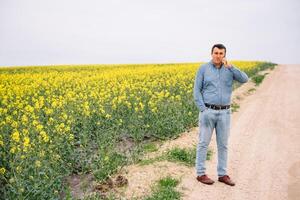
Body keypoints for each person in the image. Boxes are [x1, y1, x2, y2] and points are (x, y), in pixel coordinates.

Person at [193, 44, 249, 186]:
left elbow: (245, 79)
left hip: (225, 113)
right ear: (211, 54)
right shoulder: (203, 69)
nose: (218, 56)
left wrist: (231, 67)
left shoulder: (230, 70)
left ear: (224, 55)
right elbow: (196, 91)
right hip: (208, 112)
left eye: (221, 53)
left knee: (223, 145)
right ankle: (200, 173)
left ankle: (222, 175)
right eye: (216, 53)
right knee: (203, 143)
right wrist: (203, 110)